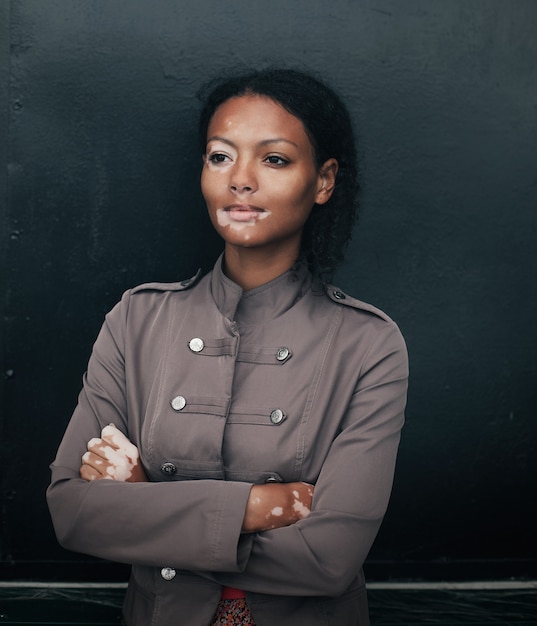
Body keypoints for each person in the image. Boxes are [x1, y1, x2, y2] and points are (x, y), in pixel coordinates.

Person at [47, 67, 408, 626]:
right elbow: (73, 513)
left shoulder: (368, 343)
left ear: (323, 180)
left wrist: (145, 502)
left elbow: (327, 560)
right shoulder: (137, 319)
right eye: (220, 156)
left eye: (275, 159)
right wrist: (258, 508)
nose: (240, 179)